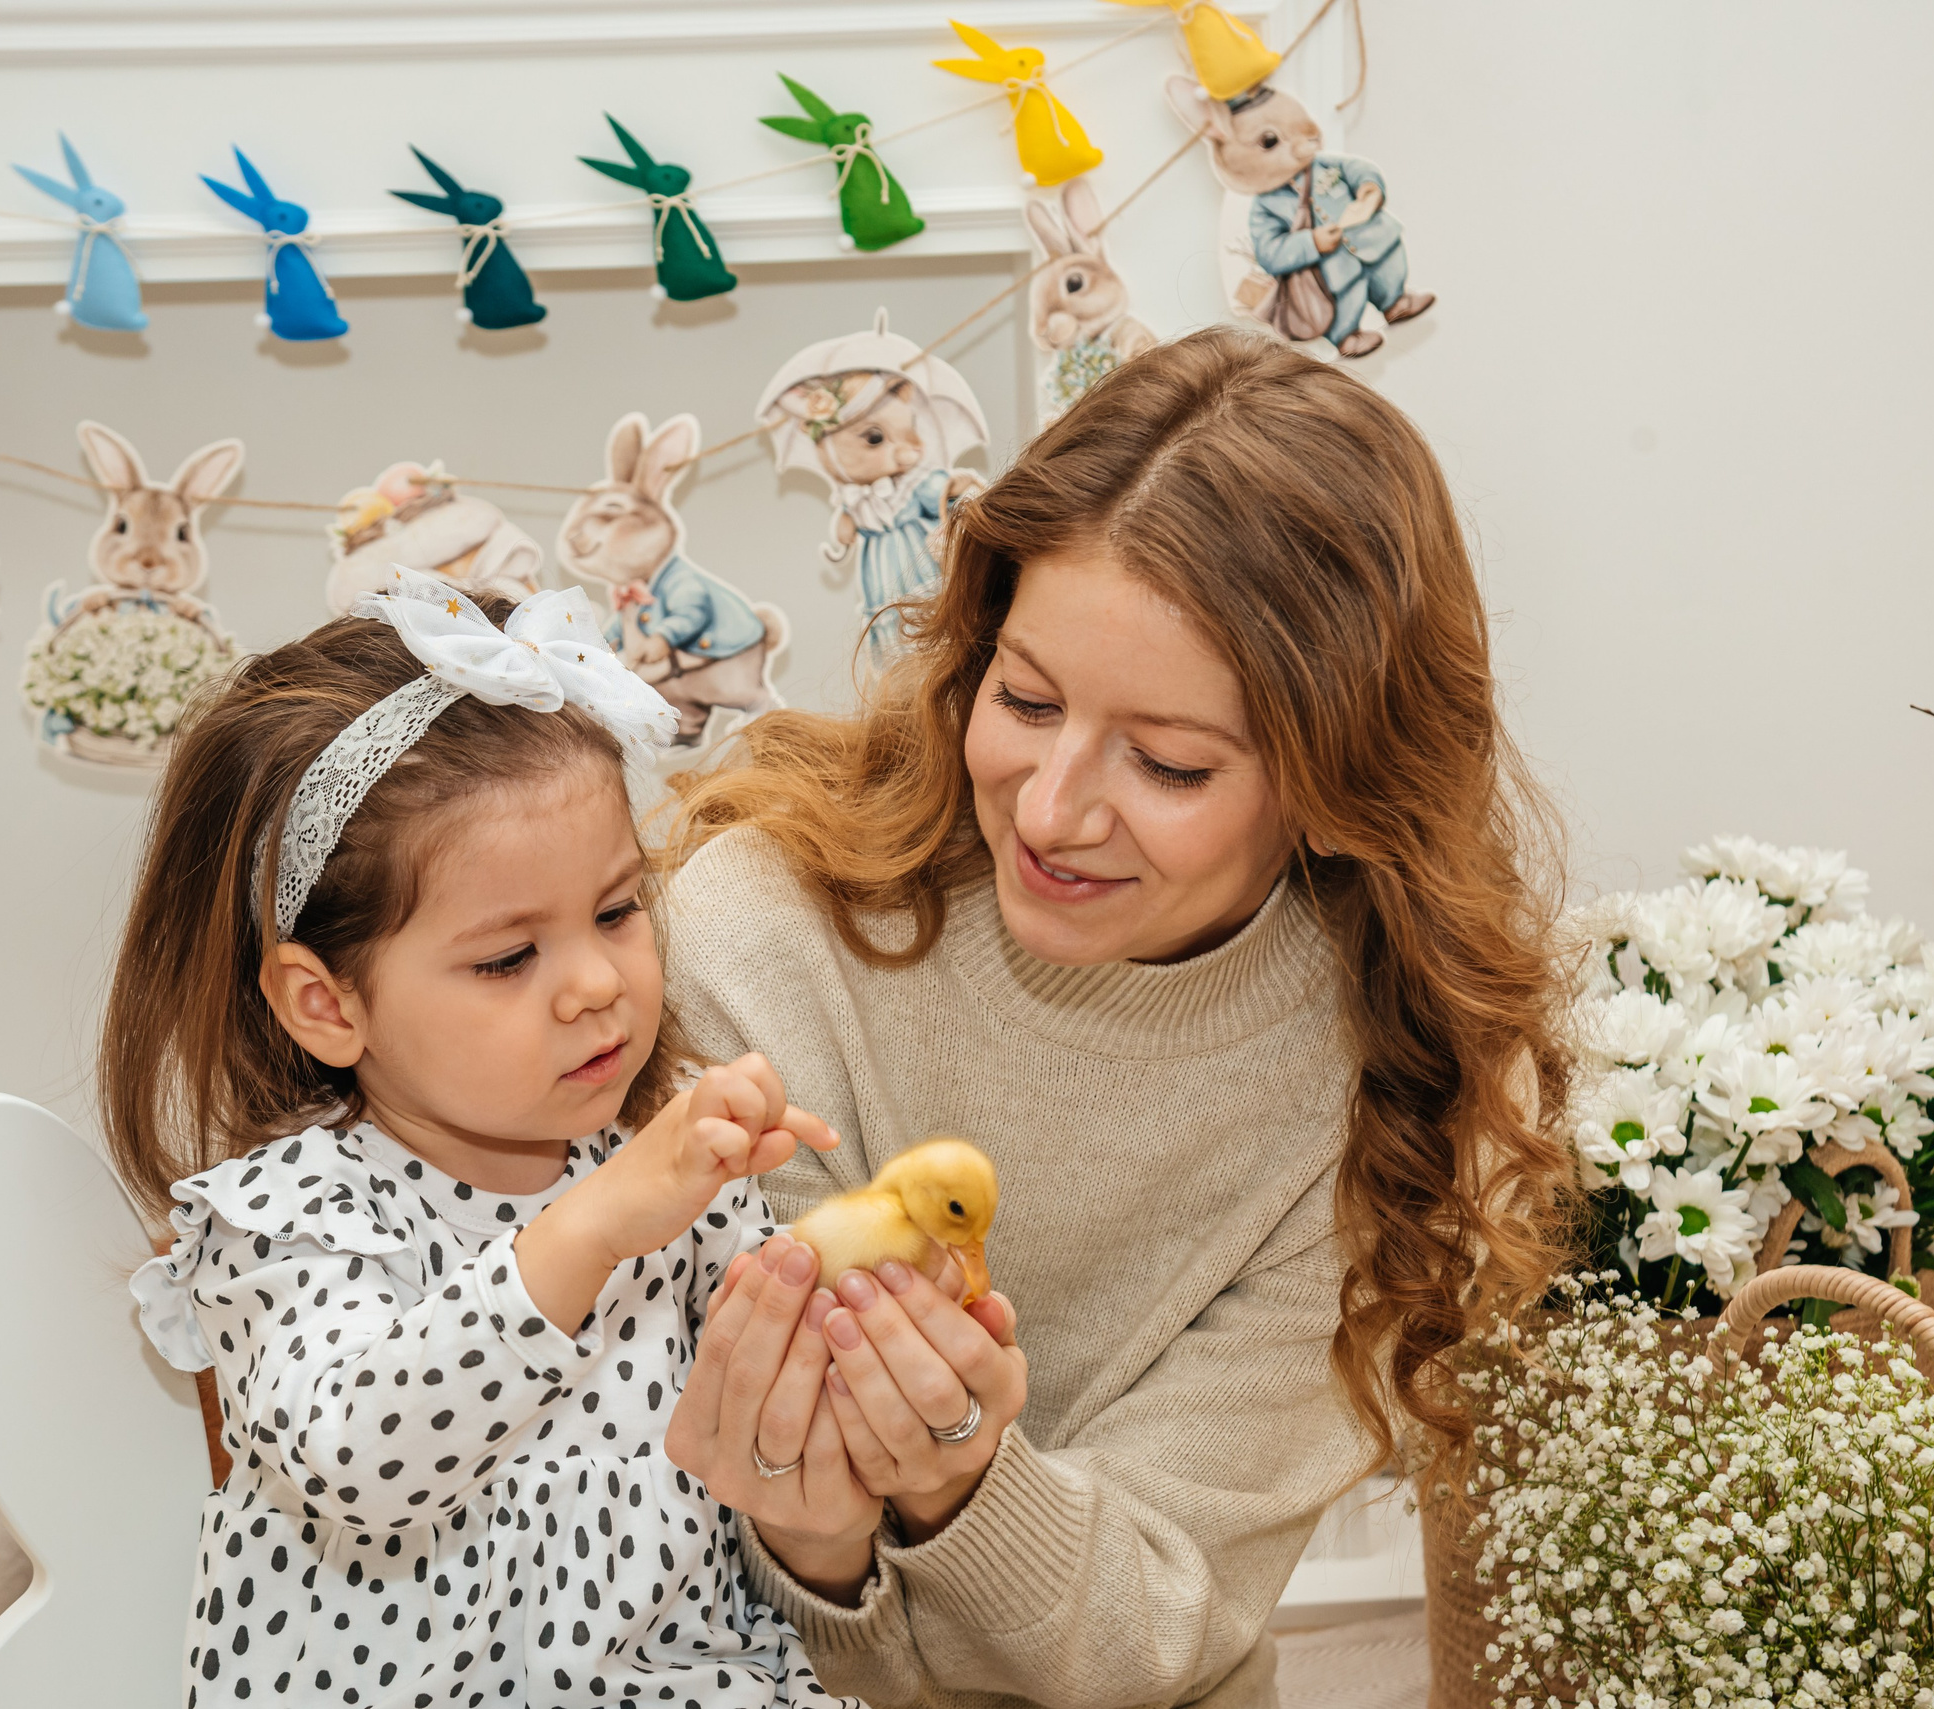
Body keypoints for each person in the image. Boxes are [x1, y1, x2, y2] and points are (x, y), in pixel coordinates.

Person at [657, 328, 1577, 1708]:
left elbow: (1156, 1630)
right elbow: (702, 1576)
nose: (1052, 808)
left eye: (1167, 761)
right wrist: (820, 1530)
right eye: (1024, 699)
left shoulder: (1393, 1095)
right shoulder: (759, 935)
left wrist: (959, 1481)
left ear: (1339, 782)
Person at [101, 571, 873, 1707]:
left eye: (616, 910)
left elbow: (765, 1482)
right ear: (327, 1002)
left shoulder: (672, 1184)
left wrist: (844, 1328)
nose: (597, 983)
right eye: (509, 958)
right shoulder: (289, 1216)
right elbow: (362, 1459)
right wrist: (597, 1224)